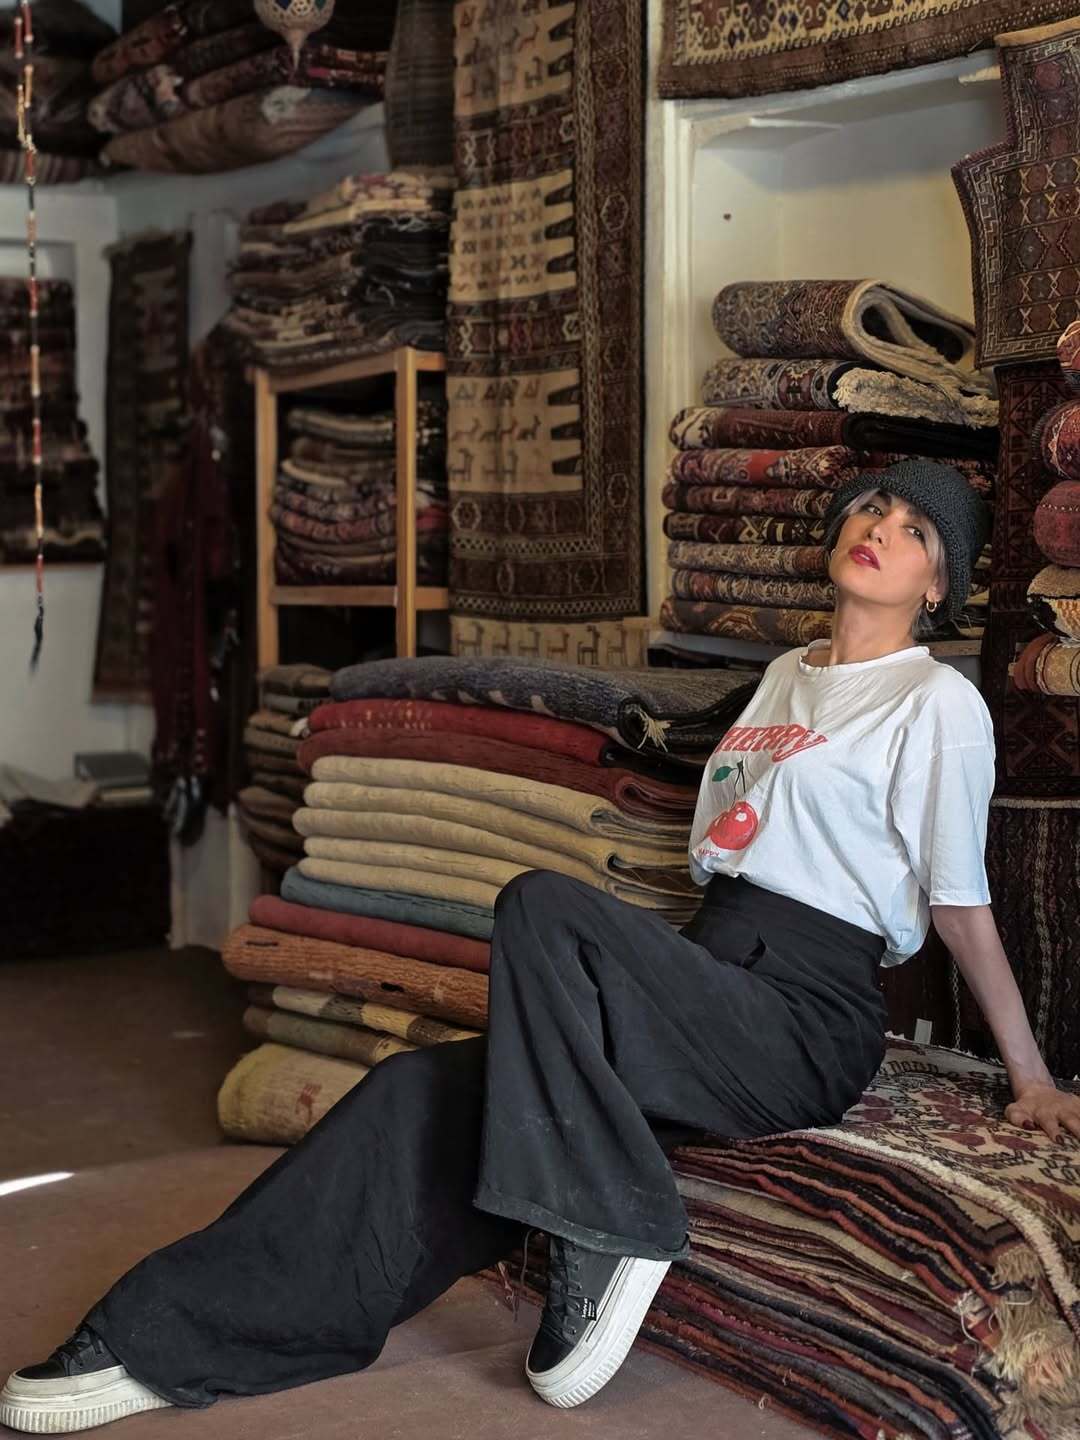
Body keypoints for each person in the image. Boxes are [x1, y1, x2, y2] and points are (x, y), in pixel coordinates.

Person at [4, 459, 1079, 1436]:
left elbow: (958, 901)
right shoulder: (787, 676)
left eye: (914, 530)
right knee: (412, 1094)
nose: (880, 529)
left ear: (939, 584)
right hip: (709, 964)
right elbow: (726, 843)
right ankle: (165, 1336)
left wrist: (1027, 1074)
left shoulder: (935, 701)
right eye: (871, 508)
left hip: (803, 1011)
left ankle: (610, 1224)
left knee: (542, 908)